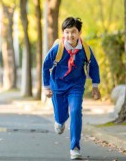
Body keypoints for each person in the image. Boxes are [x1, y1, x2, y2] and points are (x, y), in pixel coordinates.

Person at [42, 17, 101, 160]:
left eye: (73, 32)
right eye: (67, 32)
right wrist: (46, 87)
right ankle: (59, 121)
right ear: (63, 33)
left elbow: (93, 66)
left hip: (76, 86)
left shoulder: (85, 49)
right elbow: (45, 65)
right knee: (61, 116)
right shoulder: (58, 48)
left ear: (79, 32)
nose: (70, 35)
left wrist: (95, 86)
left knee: (75, 111)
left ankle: (75, 147)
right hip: (58, 86)